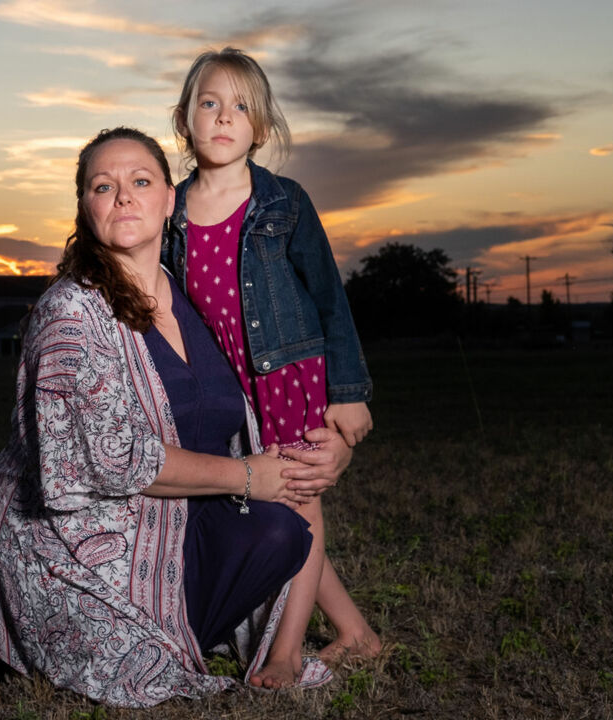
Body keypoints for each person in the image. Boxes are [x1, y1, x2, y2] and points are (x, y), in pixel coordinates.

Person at [0, 127, 351, 707]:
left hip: (176, 512)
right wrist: (251, 476)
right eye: (104, 186)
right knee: (134, 654)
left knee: (279, 532)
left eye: (140, 181)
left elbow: (266, 384)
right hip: (73, 534)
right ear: (85, 207)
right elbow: (112, 457)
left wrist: (327, 443)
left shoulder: (187, 291)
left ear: (170, 198)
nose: (123, 196)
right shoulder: (71, 314)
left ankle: (179, 623)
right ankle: (123, 630)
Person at [163, 48, 382, 689]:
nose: (225, 118)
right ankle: (357, 634)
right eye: (210, 103)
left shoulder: (283, 203)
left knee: (299, 503)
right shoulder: (172, 214)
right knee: (273, 500)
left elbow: (329, 299)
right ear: (184, 119)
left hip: (287, 376)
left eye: (242, 107)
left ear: (261, 127)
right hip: (226, 389)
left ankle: (285, 652)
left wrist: (348, 394)